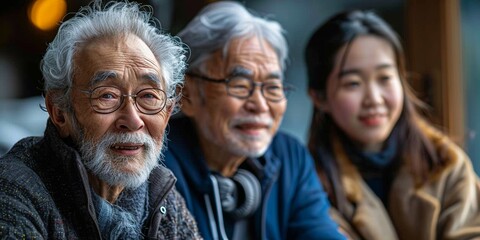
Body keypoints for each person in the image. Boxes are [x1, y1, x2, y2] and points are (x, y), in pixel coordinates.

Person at [0, 1, 202, 239]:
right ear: (59, 112)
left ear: (167, 113)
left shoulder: (163, 198)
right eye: (107, 96)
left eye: (148, 96)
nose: (133, 120)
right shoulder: (15, 191)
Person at [163, 1, 346, 240]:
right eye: (239, 85)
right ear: (186, 94)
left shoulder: (289, 157)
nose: (260, 105)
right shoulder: (158, 166)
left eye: (272, 87)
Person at [305, 10, 480, 240]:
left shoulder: (446, 164)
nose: (374, 99)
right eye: (353, 83)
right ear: (320, 98)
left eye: (385, 78)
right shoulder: (309, 184)